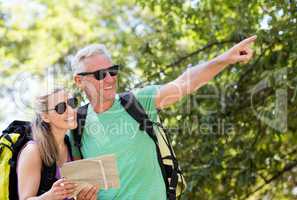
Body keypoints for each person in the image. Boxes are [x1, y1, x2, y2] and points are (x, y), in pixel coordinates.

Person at [71, 36, 257, 199]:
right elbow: (68, 183)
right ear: (79, 81)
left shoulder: (137, 102)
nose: (110, 79)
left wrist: (224, 59)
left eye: (113, 71)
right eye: (100, 75)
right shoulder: (74, 125)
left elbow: (184, 83)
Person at [17, 87, 98, 200]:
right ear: (45, 116)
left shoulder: (70, 144)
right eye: (61, 107)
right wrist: (49, 197)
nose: (71, 111)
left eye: (72, 103)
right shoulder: (33, 151)